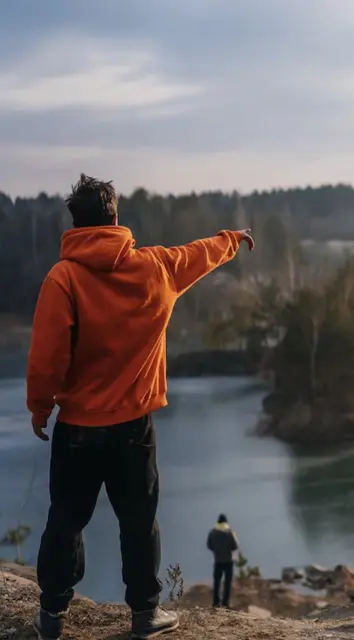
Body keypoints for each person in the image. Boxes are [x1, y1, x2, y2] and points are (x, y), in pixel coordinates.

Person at [27, 174, 255, 640]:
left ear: (75, 222)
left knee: (66, 520)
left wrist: (39, 408)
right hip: (133, 428)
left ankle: (51, 615)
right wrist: (231, 239)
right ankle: (145, 615)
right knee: (138, 521)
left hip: (77, 429)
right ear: (115, 217)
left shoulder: (62, 279)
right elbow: (199, 253)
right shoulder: (156, 268)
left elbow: (47, 356)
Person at [206, 514, 239, 608]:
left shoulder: (212, 532)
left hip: (217, 560)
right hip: (228, 561)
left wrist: (216, 550)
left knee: (217, 581)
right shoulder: (229, 532)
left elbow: (209, 545)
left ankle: (216, 602)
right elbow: (235, 545)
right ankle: (225, 602)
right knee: (227, 582)